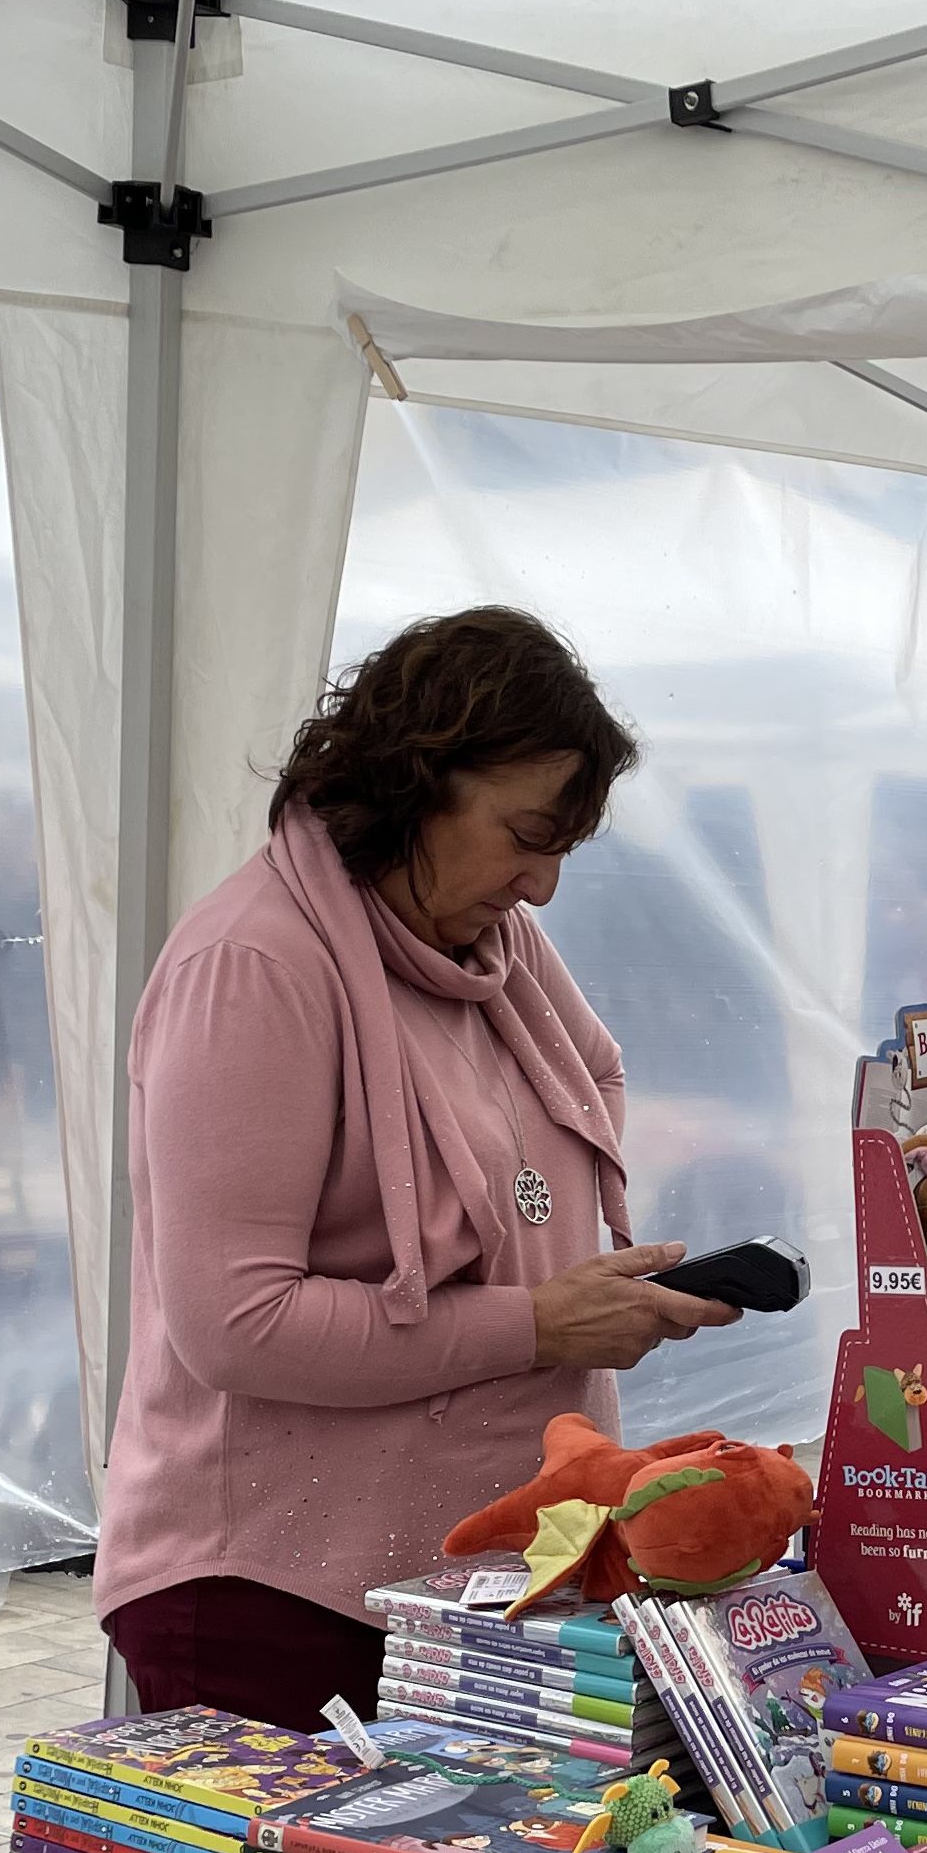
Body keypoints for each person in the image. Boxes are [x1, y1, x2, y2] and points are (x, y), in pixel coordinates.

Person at [94, 609, 737, 1730]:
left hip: (459, 1591)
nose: (540, 887)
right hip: (277, 1597)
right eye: (525, 835)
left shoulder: (485, 940)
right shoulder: (253, 967)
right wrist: (533, 1324)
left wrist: (576, 1283)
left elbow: (584, 1079)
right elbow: (234, 1323)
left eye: (563, 851)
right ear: (416, 780)